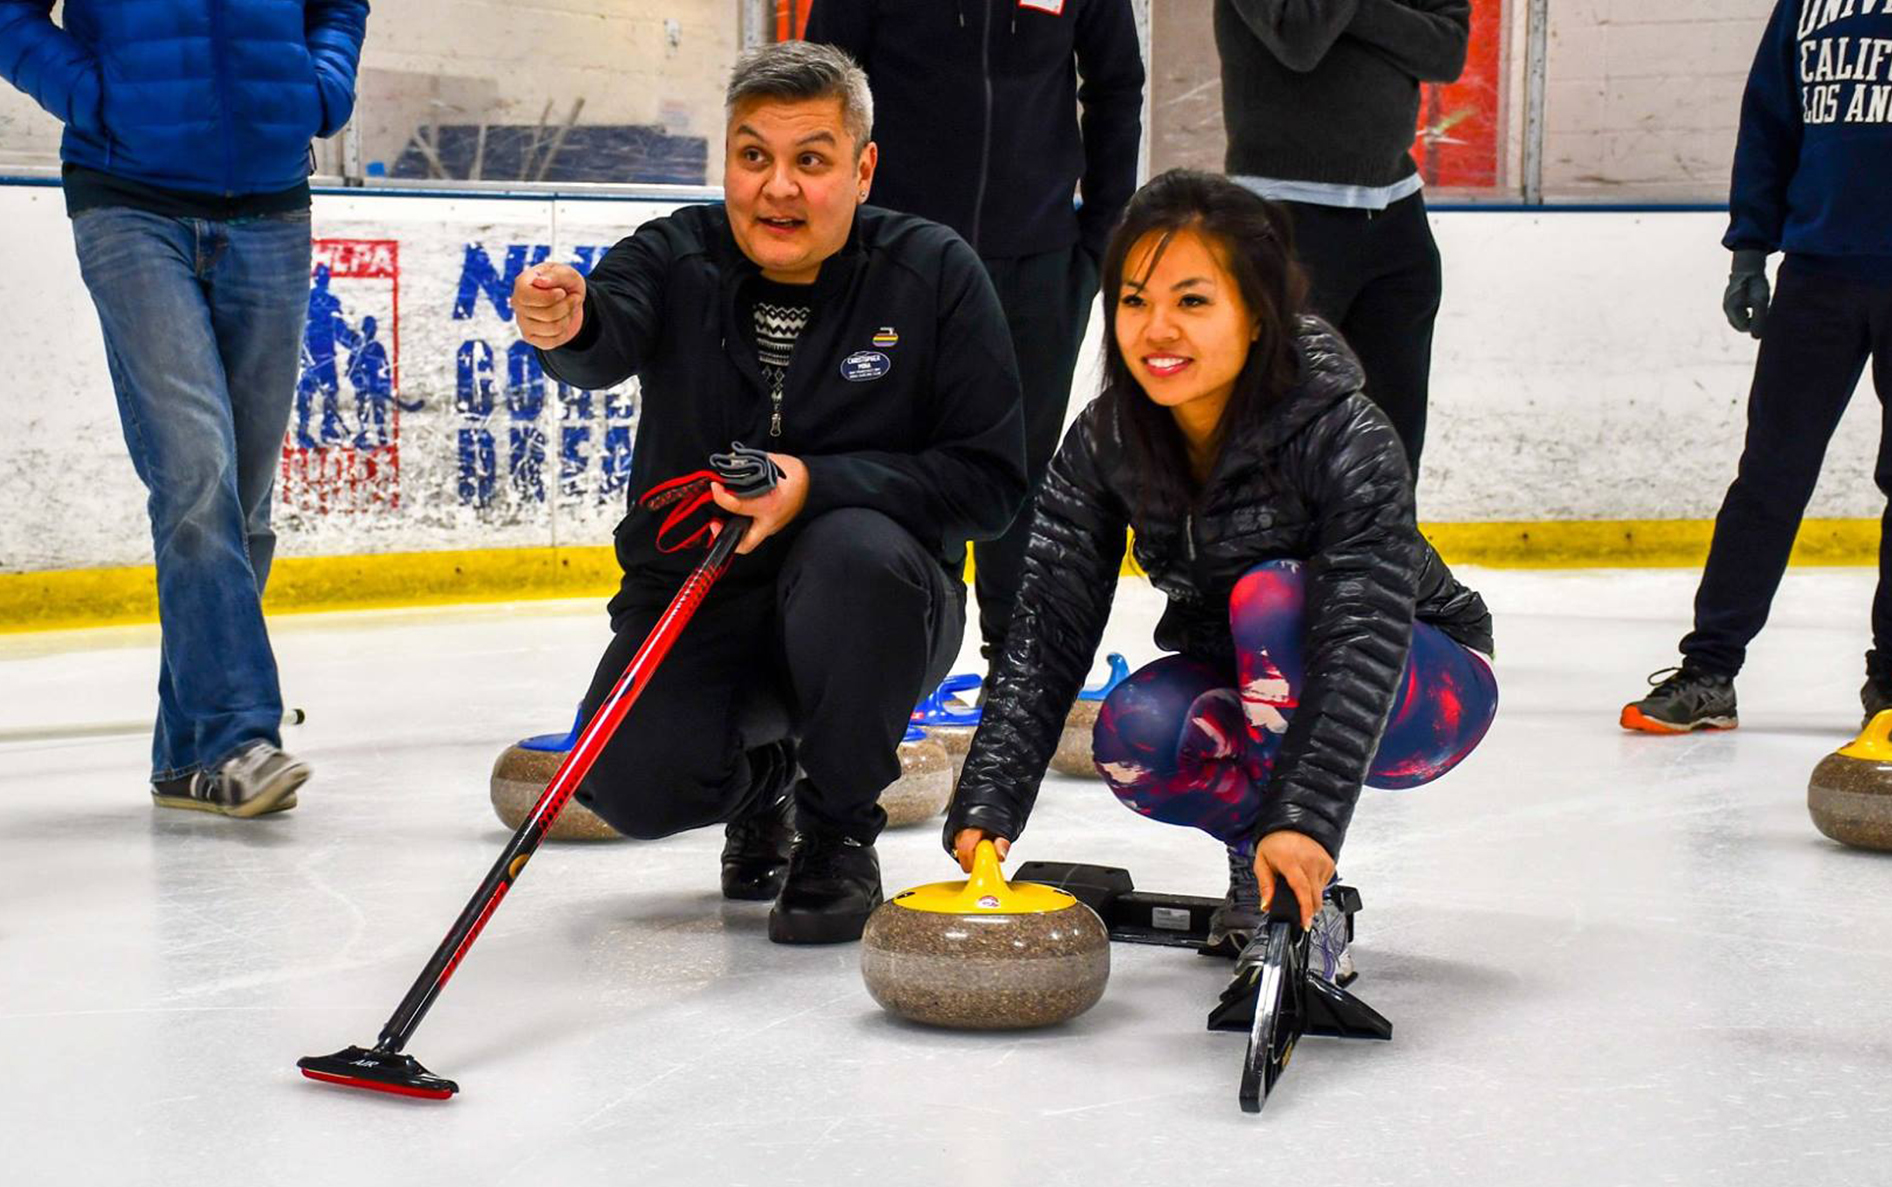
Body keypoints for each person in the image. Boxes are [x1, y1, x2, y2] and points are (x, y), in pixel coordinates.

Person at [515, 42, 1027, 944]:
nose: (777, 188)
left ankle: (836, 831)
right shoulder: (678, 253)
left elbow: (989, 485)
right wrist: (568, 320)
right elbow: (604, 331)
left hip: (879, 607)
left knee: (850, 552)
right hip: (698, 595)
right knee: (626, 780)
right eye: (754, 157)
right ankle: (769, 782)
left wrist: (817, 487)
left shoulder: (933, 272)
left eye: (811, 161)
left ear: (863, 168)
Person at [945, 171, 1496, 966]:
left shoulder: (1345, 433)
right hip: (1264, 678)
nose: (1156, 329)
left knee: (1272, 597)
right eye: (1134, 301)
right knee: (1136, 730)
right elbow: (1047, 626)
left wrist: (1305, 819)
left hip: (1421, 687)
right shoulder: (1106, 442)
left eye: (1193, 302)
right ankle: (1256, 870)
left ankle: (1293, 861)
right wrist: (991, 795)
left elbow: (1362, 636)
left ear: (1258, 313)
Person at [0, 0, 369, 817]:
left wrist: (319, 86)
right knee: (196, 472)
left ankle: (184, 762)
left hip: (273, 203)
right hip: (126, 202)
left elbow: (339, 4)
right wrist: (97, 96)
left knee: (241, 501)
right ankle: (240, 736)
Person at [803, 0, 1144, 666]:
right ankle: (905, 665)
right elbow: (823, 88)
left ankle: (1015, 670)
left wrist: (1101, 239)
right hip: (899, 255)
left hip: (1041, 265)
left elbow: (1117, 84)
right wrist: (843, 233)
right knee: (904, 457)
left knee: (1018, 469)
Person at [1622, 1, 1892, 734]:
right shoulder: (1809, 3)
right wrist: (1749, 248)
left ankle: (1891, 688)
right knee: (1769, 475)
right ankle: (1711, 669)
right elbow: (1771, 119)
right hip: (1818, 274)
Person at [1215, 0, 1470, 479]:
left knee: (1389, 447)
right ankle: (1268, 556)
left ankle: (1381, 552)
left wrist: (1355, 16)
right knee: (1277, 439)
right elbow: (1300, 38)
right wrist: (1393, 24)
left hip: (1397, 216)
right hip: (1283, 217)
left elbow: (1446, 54)